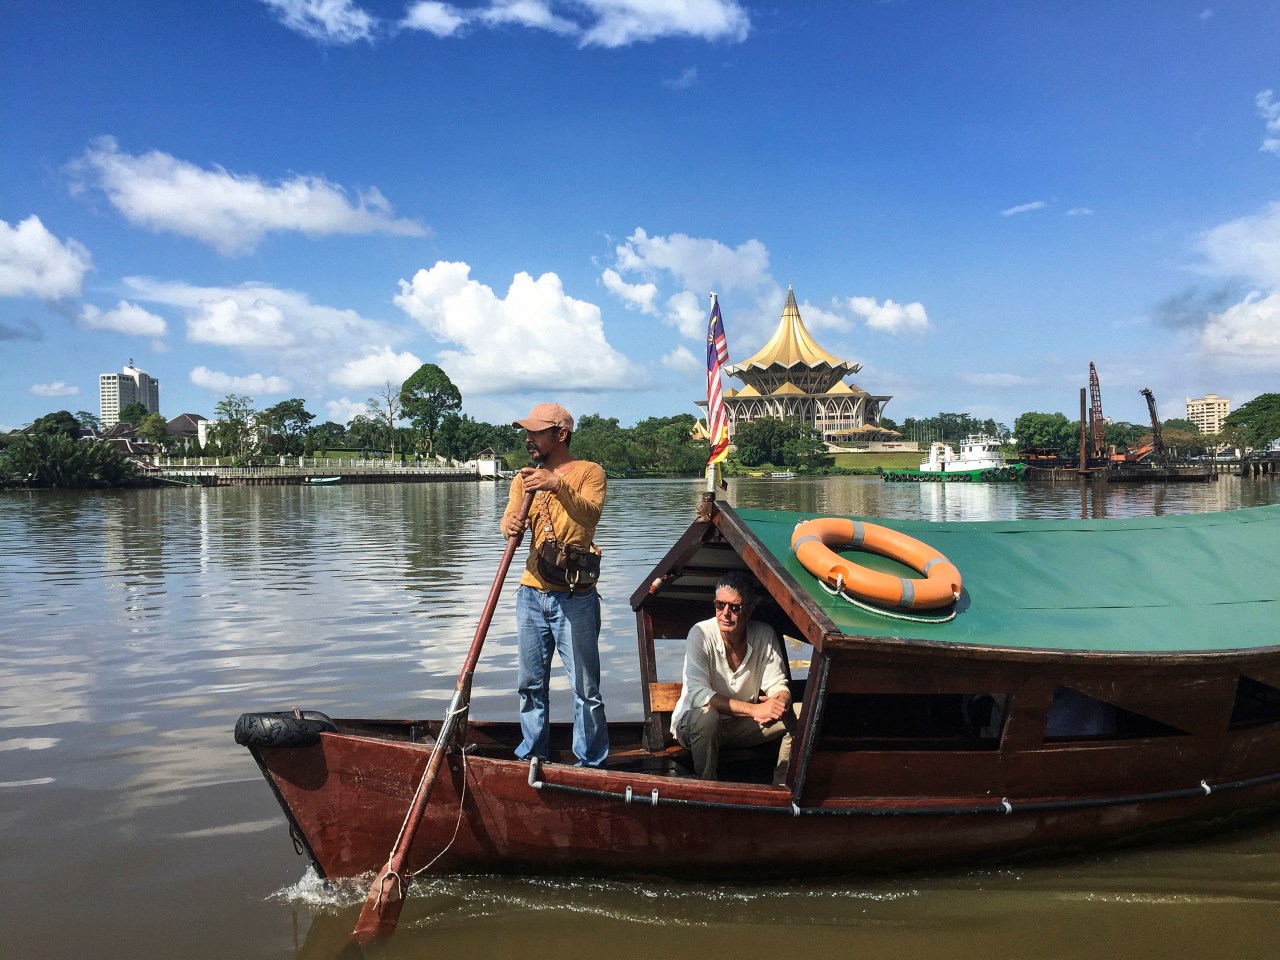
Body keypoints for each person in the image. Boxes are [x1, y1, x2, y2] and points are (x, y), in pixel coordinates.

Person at [501, 403, 608, 767]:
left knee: (586, 690)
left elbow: (590, 514)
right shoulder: (523, 478)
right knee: (530, 685)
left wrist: (557, 485)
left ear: (560, 435)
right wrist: (510, 526)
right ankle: (533, 753)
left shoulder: (591, 473)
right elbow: (509, 521)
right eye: (527, 432)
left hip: (575, 597)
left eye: (536, 432)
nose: (529, 439)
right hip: (531, 594)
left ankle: (590, 762)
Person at [670, 571, 796, 785]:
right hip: (696, 727)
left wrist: (779, 702)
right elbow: (700, 695)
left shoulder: (764, 635)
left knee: (803, 714)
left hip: (742, 725)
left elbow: (778, 685)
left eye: (734, 607)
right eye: (720, 605)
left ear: (749, 611)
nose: (725, 613)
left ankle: (782, 788)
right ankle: (708, 788)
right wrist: (756, 709)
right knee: (707, 716)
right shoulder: (700, 633)